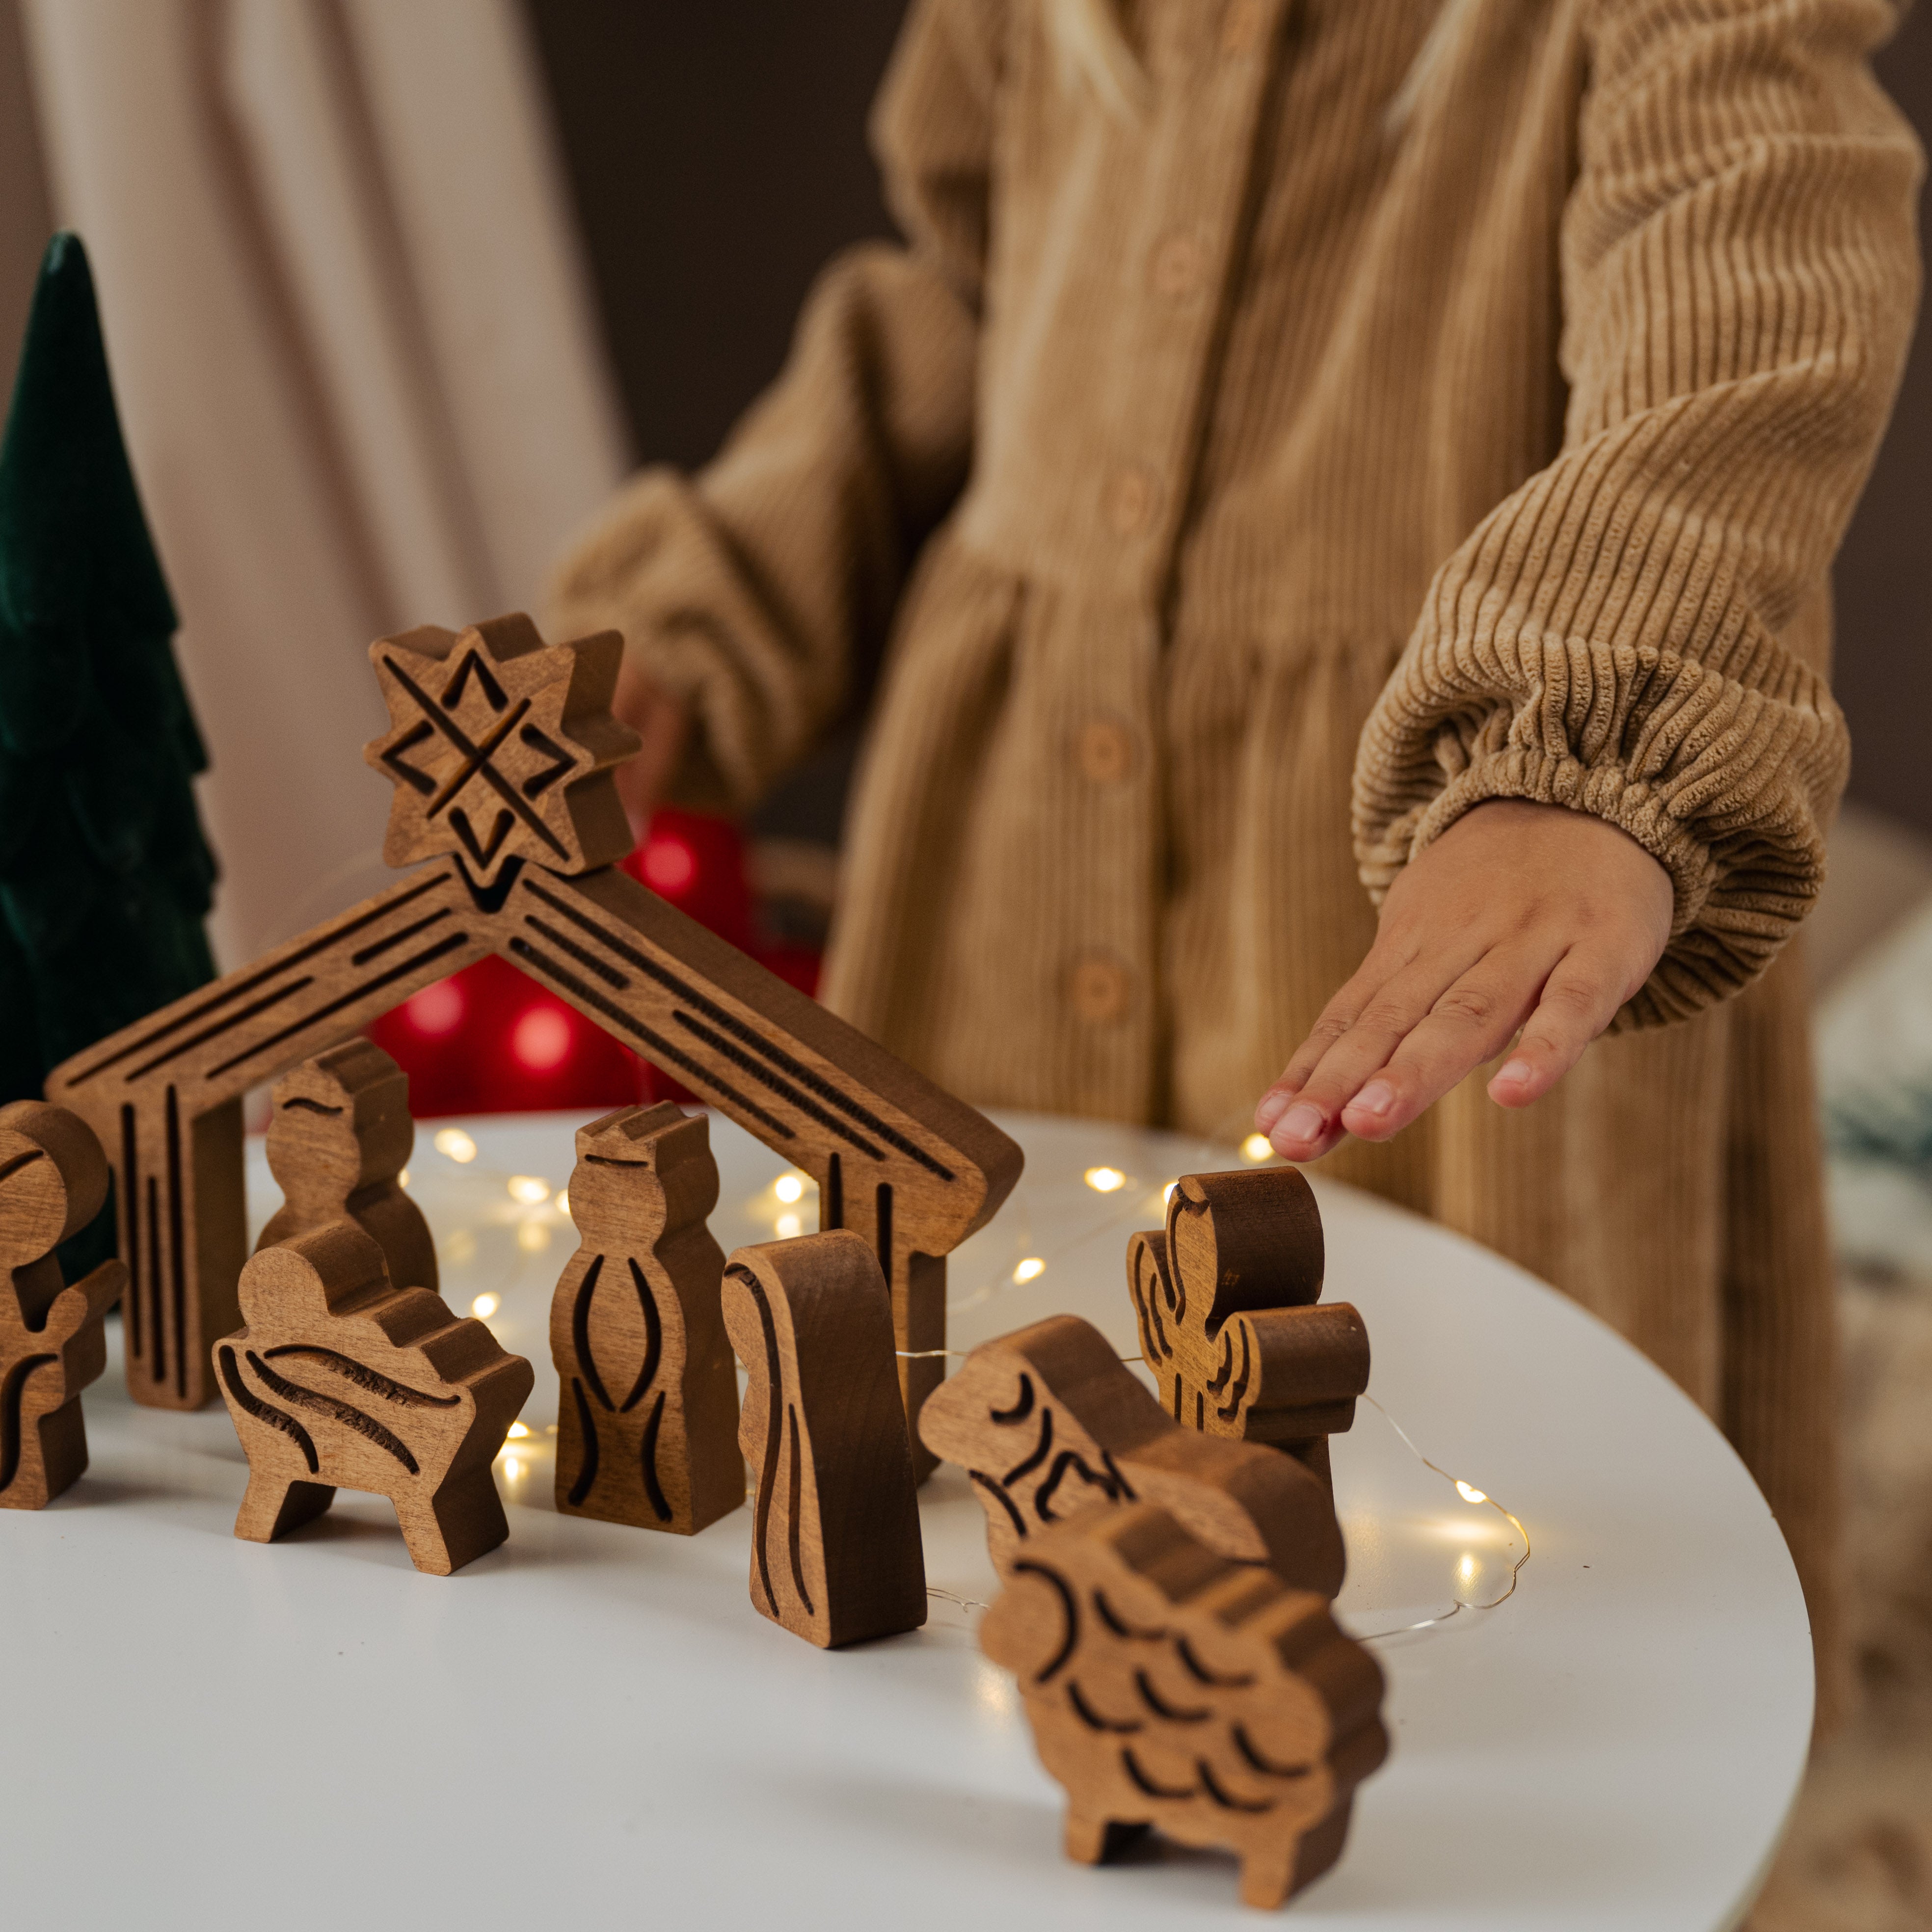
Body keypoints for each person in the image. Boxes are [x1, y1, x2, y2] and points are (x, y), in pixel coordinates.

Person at [549, 0, 1922, 1695]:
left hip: (1452, 932)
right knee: (975, 1518)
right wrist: (692, 620)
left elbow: (1750, 269)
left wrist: (1573, 751)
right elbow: (969, 307)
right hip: (1010, 893)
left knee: (1461, 1607)